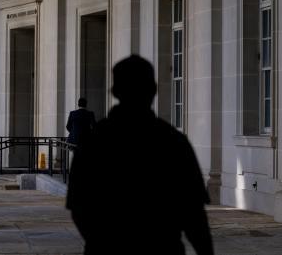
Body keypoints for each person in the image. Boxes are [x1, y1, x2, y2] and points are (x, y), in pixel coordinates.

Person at [66, 55, 214, 255]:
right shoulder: (173, 141)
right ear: (153, 90)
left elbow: (79, 207)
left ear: (115, 91)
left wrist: (102, 241)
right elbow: (194, 215)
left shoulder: (94, 142)